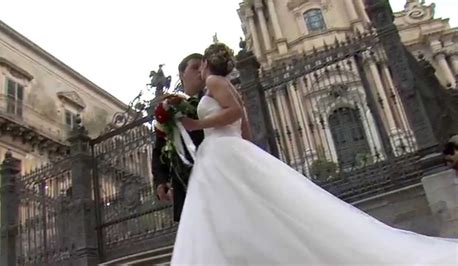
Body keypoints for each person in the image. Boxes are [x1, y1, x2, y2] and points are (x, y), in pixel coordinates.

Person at [170, 43, 458, 265]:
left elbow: (235, 114)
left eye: (198, 67)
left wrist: (198, 124)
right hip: (224, 150)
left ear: (206, 64)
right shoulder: (225, 86)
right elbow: (243, 123)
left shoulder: (215, 84)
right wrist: (237, 143)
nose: (196, 72)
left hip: (221, 150)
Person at [151, 53, 205, 222]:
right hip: (185, 187)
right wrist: (161, 181)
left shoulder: (214, 98)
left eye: (203, 67)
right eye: (195, 67)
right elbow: (160, 148)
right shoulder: (171, 108)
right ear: (182, 74)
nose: (200, 72)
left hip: (215, 176)